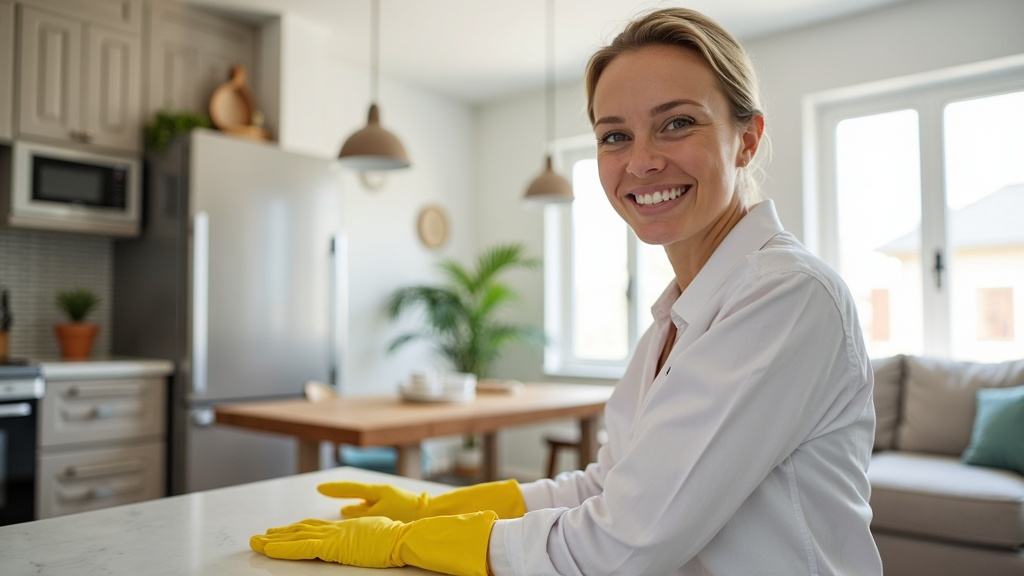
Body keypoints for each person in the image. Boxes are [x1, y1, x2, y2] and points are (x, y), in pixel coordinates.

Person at [249, 8, 882, 575]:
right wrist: (430, 505)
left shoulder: (787, 295)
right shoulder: (675, 319)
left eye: (677, 124)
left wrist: (405, 542)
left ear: (746, 138)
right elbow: (609, 487)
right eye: (614, 136)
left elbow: (622, 543)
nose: (640, 162)